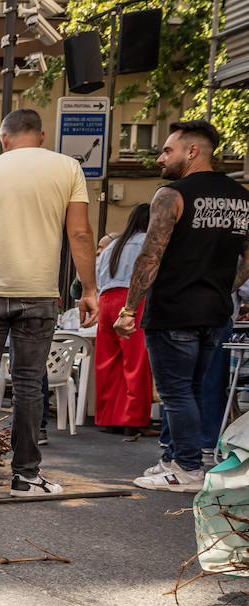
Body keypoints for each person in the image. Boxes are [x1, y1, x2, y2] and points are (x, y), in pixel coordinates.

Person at [0, 108, 97, 498]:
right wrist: (90, 290)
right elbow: (79, 234)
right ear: (42, 136)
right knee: (30, 383)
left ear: (3, 138)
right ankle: (26, 477)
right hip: (38, 292)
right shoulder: (67, 169)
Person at [115, 120, 249, 492]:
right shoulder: (243, 198)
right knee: (191, 388)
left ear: (192, 151)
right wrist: (224, 286)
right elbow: (247, 258)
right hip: (215, 310)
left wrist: (129, 310)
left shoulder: (171, 195)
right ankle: (175, 459)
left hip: (174, 308)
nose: (161, 158)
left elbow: (150, 256)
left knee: (176, 392)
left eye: (167, 150)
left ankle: (188, 468)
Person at [94, 203, 151, 433]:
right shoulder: (149, 241)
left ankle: (108, 418)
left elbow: (98, 274)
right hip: (133, 300)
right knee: (136, 363)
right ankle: (134, 421)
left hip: (106, 300)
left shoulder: (112, 245)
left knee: (107, 362)